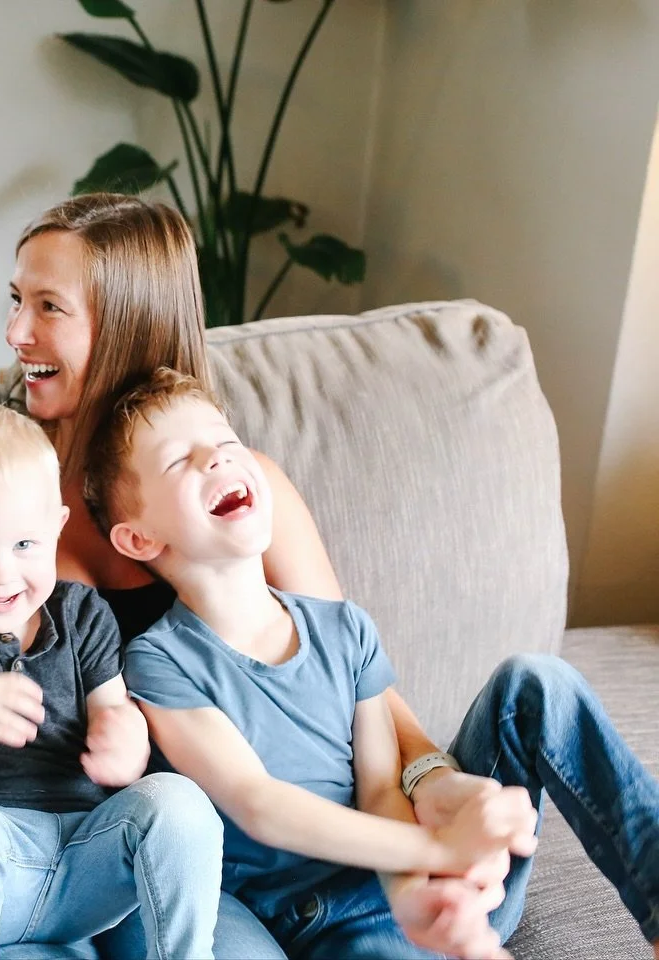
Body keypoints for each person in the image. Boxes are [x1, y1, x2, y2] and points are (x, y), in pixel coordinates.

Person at [3, 191, 659, 959]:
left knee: (535, 686)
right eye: (16, 301)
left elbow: (364, 701)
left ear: (129, 320)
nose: (15, 334)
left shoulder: (251, 490)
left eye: (48, 306)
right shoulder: (10, 520)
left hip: (387, 864)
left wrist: (437, 799)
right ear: (136, 535)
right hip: (224, 871)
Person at [91, 368, 544, 958]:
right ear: (139, 540)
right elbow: (259, 804)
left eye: (226, 441)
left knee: (537, 684)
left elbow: (380, 789)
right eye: (179, 460)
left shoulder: (346, 629)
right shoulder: (157, 660)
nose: (215, 457)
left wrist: (412, 898)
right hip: (270, 910)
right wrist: (437, 851)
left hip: (366, 890)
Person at [0, 401, 224, 959]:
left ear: (56, 527)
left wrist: (125, 743)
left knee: (180, 802)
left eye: (25, 545)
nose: (3, 573)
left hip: (88, 858)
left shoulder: (82, 614)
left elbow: (113, 709)